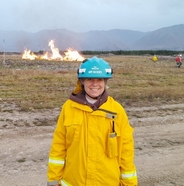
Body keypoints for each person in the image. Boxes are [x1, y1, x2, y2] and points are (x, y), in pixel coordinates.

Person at [47, 56, 137, 186]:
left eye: (99, 79)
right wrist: (53, 179)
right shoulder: (69, 107)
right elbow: (58, 146)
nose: (95, 84)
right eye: (90, 79)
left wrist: (129, 183)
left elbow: (126, 151)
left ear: (105, 82)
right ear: (82, 81)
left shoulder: (117, 111)